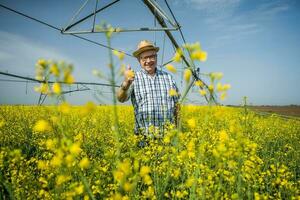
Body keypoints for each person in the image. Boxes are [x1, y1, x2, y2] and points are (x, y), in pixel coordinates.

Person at [117, 40, 180, 136]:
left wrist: (178, 131)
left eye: (152, 56)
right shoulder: (134, 78)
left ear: (156, 57)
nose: (148, 61)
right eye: (144, 58)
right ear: (139, 60)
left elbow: (177, 107)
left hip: (168, 136)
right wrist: (126, 84)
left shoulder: (169, 78)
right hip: (143, 137)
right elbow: (121, 98)